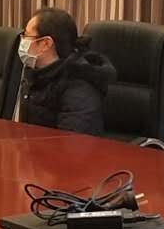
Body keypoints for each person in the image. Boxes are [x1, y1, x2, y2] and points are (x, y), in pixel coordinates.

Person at [15, 7, 115, 135]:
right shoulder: (35, 74)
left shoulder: (79, 86)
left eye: (26, 35)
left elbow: (73, 142)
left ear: (46, 43)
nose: (22, 41)